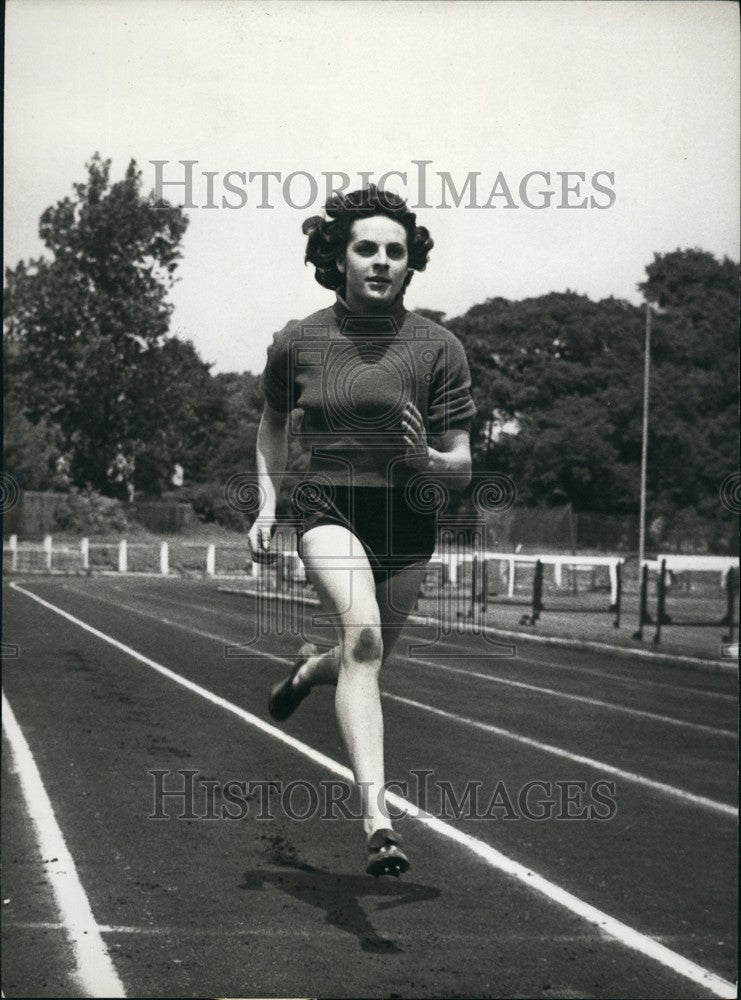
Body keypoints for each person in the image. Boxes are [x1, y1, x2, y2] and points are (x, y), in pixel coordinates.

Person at [248, 185, 475, 877]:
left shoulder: (439, 348)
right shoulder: (300, 340)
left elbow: (461, 467)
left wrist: (425, 460)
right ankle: (378, 820)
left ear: (411, 264)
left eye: (395, 252)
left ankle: (305, 672)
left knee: (362, 656)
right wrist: (265, 506)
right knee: (365, 638)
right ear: (337, 256)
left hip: (407, 518)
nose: (380, 261)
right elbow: (272, 424)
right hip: (327, 507)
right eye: (365, 248)